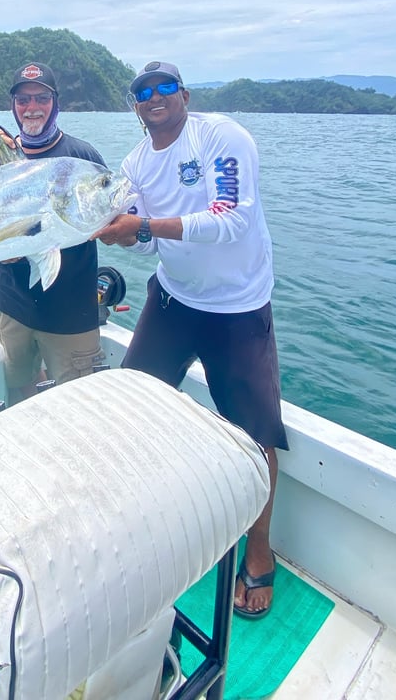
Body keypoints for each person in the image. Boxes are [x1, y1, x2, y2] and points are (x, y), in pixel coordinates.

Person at [94, 60, 288, 619]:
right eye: (142, 91)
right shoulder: (134, 164)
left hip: (238, 308)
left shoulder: (222, 137)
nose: (153, 96)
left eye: (164, 87)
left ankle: (257, 545)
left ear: (184, 94)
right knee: (129, 407)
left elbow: (232, 219)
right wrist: (125, 237)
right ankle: (136, 527)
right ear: (135, 106)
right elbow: (149, 245)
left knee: (255, 433)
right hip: (173, 300)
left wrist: (145, 227)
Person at [0, 62, 107, 403]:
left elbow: (114, 216)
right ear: (14, 106)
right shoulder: (2, 161)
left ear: (56, 103)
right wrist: (1, 250)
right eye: (23, 100)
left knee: (78, 404)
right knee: (21, 389)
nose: (32, 108)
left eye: (41, 98)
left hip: (72, 313)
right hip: (14, 307)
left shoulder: (82, 157)